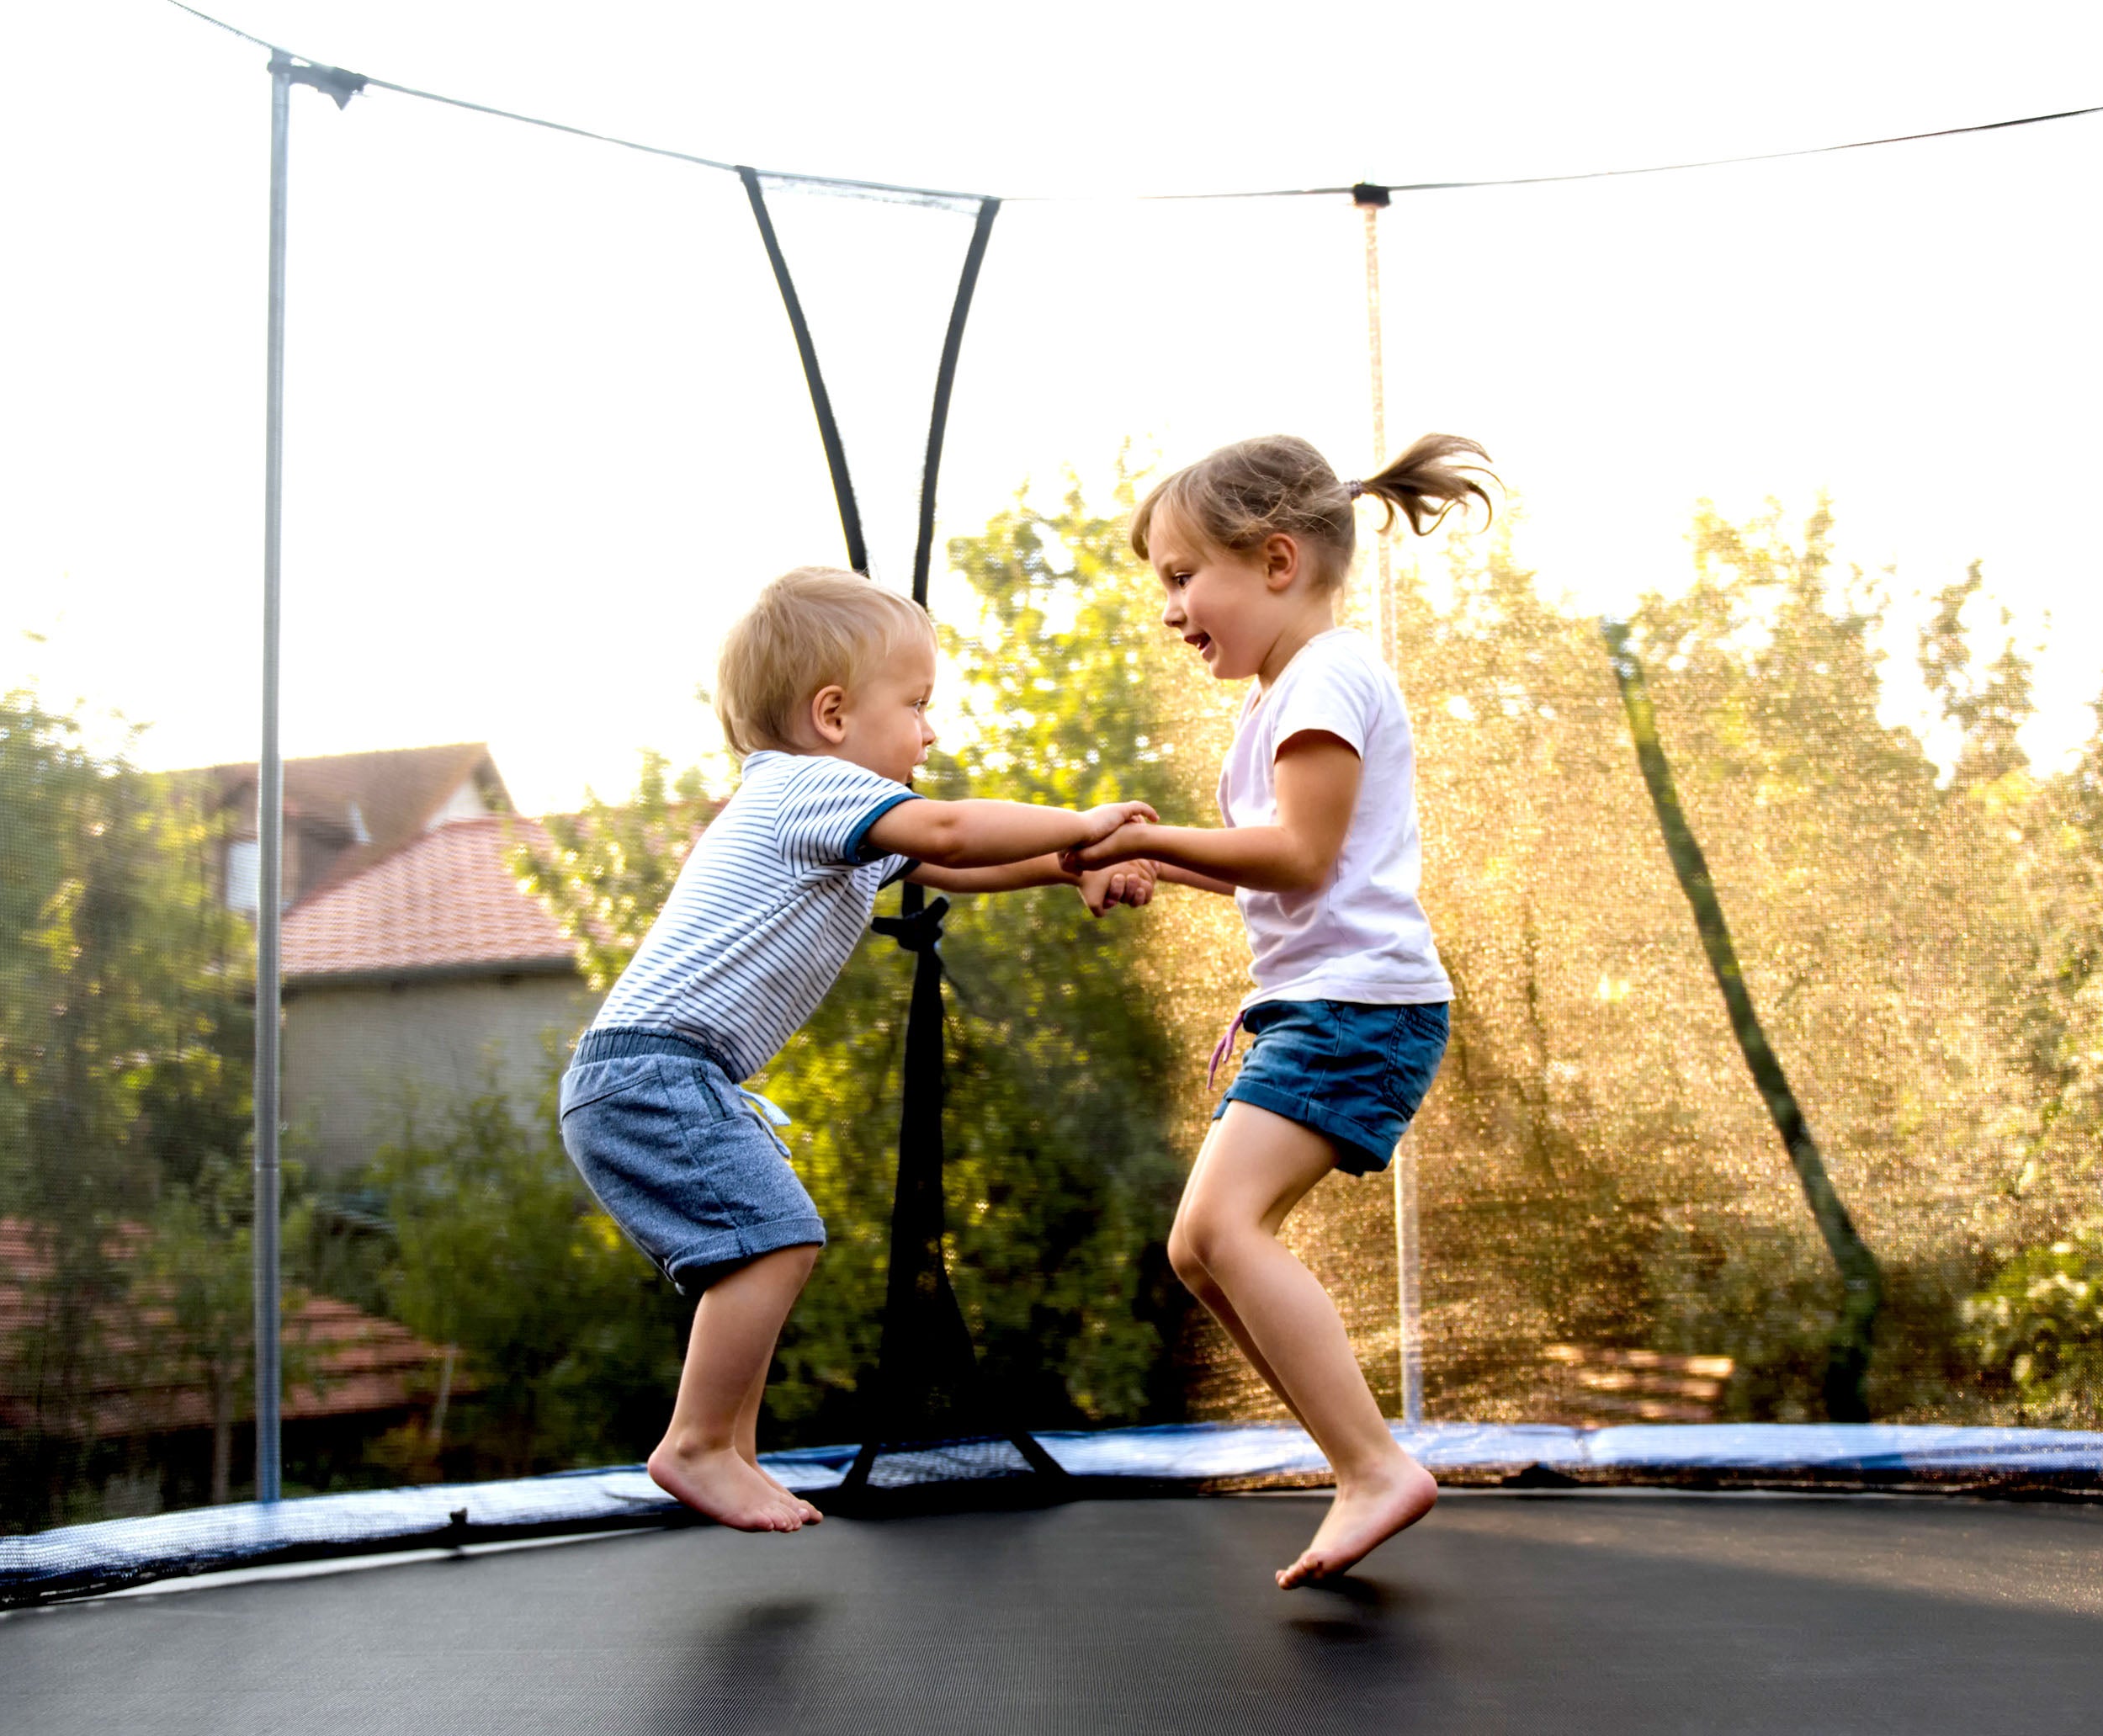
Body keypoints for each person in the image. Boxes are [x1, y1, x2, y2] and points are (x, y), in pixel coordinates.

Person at [559, 565, 1159, 1532]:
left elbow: (958, 858)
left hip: (660, 1072)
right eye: (917, 704)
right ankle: (699, 1442)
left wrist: (1065, 867)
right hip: (653, 1071)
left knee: (762, 1244)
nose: (932, 730)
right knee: (777, 1238)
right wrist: (1087, 823)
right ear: (832, 714)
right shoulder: (806, 787)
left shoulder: (822, 808)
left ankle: (728, 1445)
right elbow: (956, 830)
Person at [1065, 432, 1494, 1587]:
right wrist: (1159, 861)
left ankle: (1372, 1464)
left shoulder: (1330, 675)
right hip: (1325, 1007)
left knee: (1223, 1231)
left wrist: (1151, 838)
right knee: (1202, 1244)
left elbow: (1299, 853)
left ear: (1276, 559)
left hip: (1361, 1009)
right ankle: (1362, 1461)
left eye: (1178, 574)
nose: (1169, 609)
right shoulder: (1281, 695)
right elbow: (1279, 862)